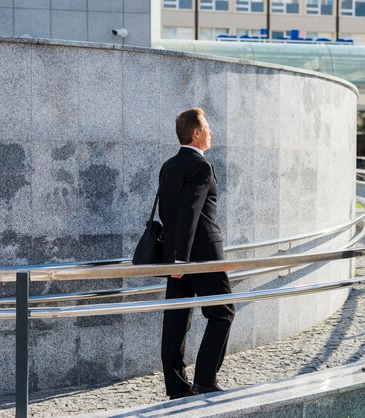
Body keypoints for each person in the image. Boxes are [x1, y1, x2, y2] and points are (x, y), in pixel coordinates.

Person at [158, 108, 235, 400]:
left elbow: (169, 213)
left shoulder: (169, 165)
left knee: (177, 319)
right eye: (208, 128)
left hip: (177, 255)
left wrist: (175, 258)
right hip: (201, 257)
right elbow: (189, 212)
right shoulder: (201, 167)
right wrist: (182, 260)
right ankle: (204, 380)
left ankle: (177, 387)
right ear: (196, 133)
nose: (211, 132)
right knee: (224, 313)